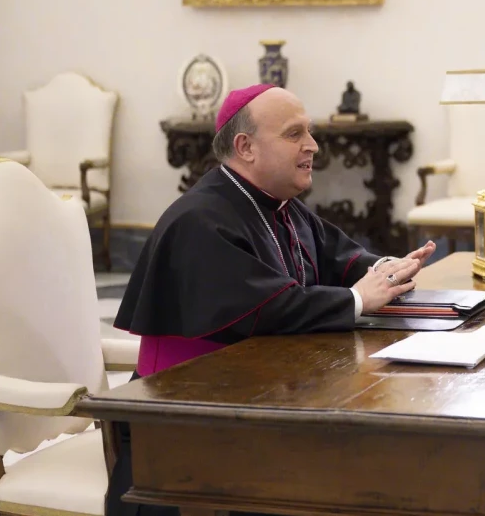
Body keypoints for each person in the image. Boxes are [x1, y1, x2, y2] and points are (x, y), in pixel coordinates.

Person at [105, 83, 436, 516]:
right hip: (184, 427)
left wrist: (389, 269)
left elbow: (339, 255)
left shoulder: (279, 204)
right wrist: (357, 299)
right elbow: (266, 307)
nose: (313, 146)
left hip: (254, 404)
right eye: (294, 134)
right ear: (245, 147)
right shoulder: (199, 219)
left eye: (310, 132)